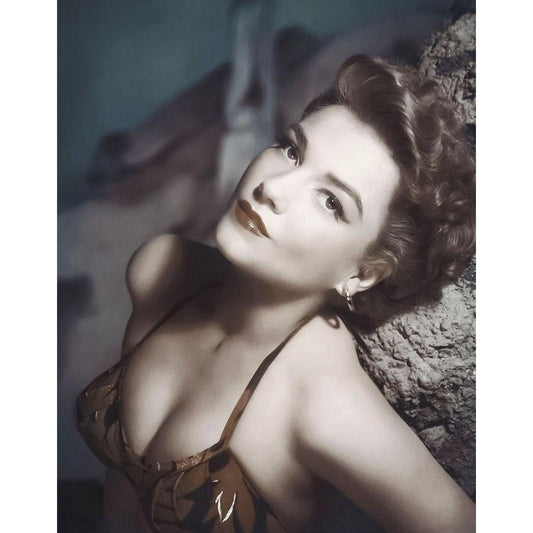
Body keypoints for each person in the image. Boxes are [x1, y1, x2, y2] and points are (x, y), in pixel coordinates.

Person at [77, 55, 476, 532]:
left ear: (363, 273)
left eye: (331, 201)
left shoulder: (322, 399)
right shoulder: (160, 269)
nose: (274, 189)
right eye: (291, 150)